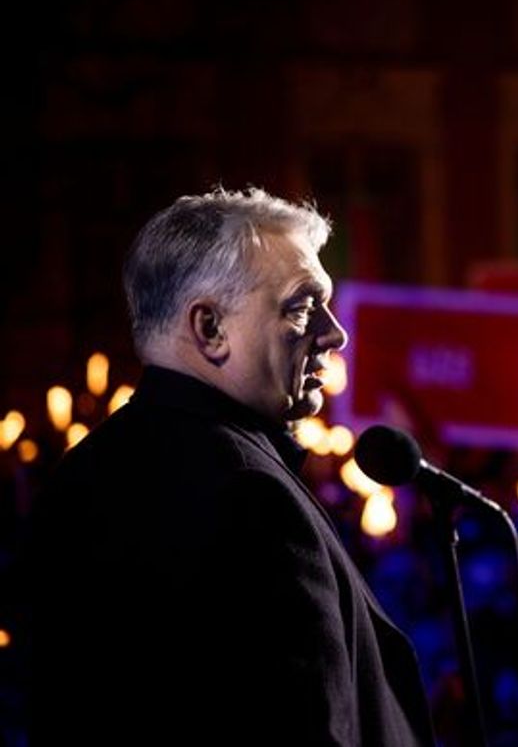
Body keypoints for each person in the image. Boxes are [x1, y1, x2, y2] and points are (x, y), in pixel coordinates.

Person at [24, 188, 435, 745]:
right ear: (210, 329)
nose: (335, 334)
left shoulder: (80, 474)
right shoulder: (251, 497)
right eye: (302, 307)